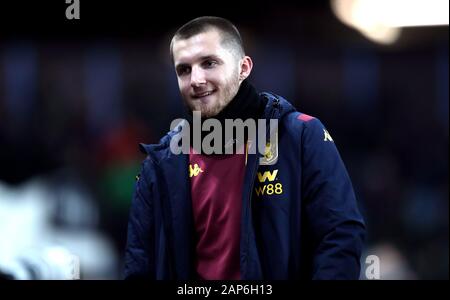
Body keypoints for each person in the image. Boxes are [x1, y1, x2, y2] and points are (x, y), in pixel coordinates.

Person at [124, 16, 366, 280]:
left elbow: (340, 236)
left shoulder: (301, 136)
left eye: (209, 63)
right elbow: (139, 266)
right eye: (184, 70)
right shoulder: (161, 164)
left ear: (243, 68)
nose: (196, 79)